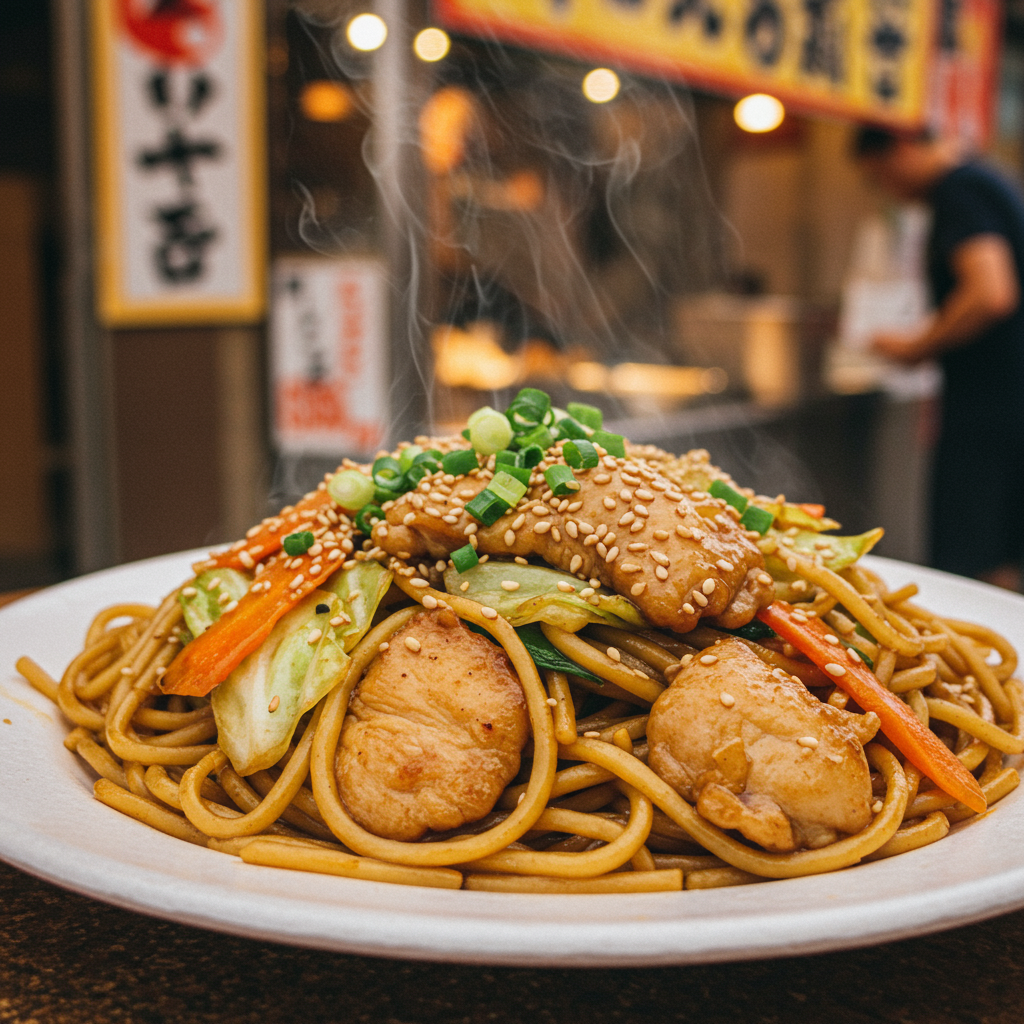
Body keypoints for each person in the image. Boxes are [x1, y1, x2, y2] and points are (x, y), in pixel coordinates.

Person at [853, 126, 1024, 592]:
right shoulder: (988, 181)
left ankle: (972, 661)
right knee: (999, 555)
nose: (889, 189)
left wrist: (916, 347)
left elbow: (991, 292)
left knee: (970, 560)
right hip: (1005, 404)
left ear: (903, 148)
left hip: (989, 409)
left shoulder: (959, 189)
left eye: (881, 174)